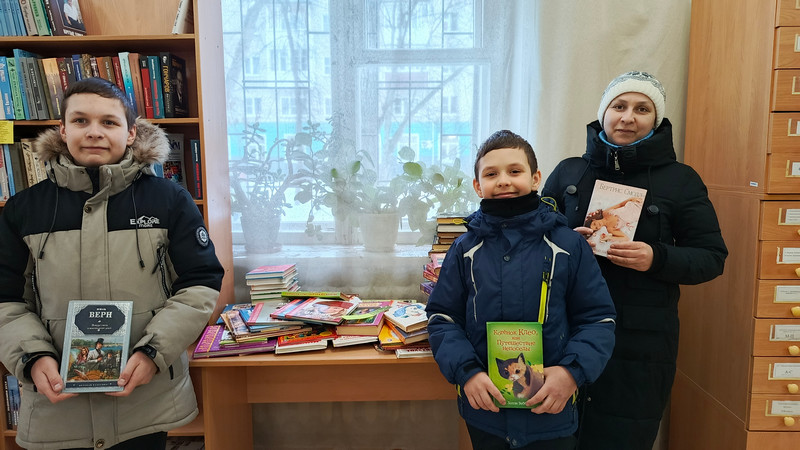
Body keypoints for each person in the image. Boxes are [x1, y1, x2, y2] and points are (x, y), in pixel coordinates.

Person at [0, 77, 224, 450]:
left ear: (131, 132)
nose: (94, 132)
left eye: (109, 122)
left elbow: (200, 283)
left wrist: (154, 352)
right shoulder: (24, 209)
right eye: (80, 121)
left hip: (145, 400)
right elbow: (5, 299)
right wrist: (32, 357)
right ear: (62, 130)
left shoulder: (169, 200)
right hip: (58, 407)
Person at [541, 71, 728, 450]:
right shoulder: (569, 172)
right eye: (619, 106)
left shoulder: (681, 180)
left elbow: (711, 257)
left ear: (655, 120)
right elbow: (534, 241)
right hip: (565, 331)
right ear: (603, 113)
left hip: (640, 345)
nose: (628, 117)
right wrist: (565, 243)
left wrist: (655, 257)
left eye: (642, 109)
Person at [426, 129, 617, 449]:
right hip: (487, 410)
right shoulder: (464, 248)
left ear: (535, 178)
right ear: (477, 186)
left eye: (515, 171)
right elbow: (443, 318)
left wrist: (571, 373)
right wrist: (467, 373)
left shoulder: (568, 245)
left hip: (551, 410)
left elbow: (598, 319)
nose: (503, 181)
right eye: (491, 174)